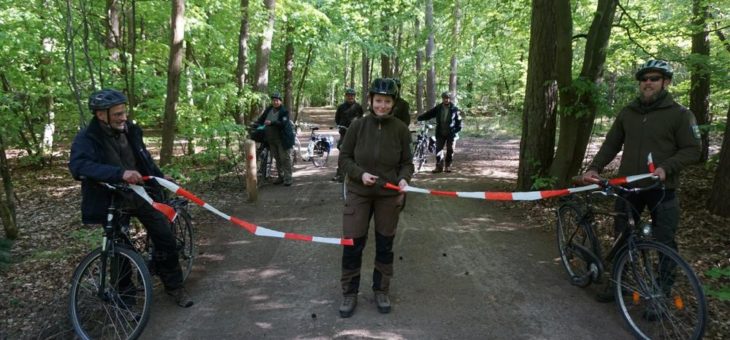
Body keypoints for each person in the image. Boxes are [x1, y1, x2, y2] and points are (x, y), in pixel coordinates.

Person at [581, 59, 701, 302]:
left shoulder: (680, 114)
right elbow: (611, 144)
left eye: (654, 79)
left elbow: (693, 150)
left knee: (664, 242)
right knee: (622, 235)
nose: (648, 83)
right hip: (627, 188)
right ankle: (619, 284)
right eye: (644, 79)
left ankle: (661, 295)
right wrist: (595, 167)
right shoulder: (628, 112)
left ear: (665, 82)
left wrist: (667, 167)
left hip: (662, 189)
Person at [69, 89, 194, 308]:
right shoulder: (87, 138)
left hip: (143, 195)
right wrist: (119, 174)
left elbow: (143, 157)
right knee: (119, 252)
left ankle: (175, 287)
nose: (123, 117)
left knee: (165, 237)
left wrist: (158, 175)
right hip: (113, 201)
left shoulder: (131, 131)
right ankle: (125, 300)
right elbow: (78, 166)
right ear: (101, 114)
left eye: (124, 112)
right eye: (117, 114)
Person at [338, 78, 414, 318]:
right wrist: (360, 174)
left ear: (394, 103)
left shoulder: (401, 129)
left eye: (387, 101)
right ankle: (349, 293)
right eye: (378, 100)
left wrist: (404, 179)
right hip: (359, 193)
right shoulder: (357, 126)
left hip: (388, 195)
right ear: (370, 100)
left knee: (385, 244)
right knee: (352, 244)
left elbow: (407, 163)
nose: (382, 105)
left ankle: (381, 289)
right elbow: (344, 159)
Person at [255, 92, 295, 186]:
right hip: (271, 139)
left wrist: (272, 122)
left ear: (280, 101)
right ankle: (280, 177)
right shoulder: (269, 109)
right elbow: (261, 119)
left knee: (284, 158)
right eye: (273, 100)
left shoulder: (284, 111)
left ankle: (288, 178)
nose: (275, 102)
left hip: (282, 139)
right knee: (277, 159)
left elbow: (283, 123)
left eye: (277, 100)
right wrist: (256, 125)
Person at [416, 91, 462, 173]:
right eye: (445, 98)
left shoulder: (454, 109)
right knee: (438, 149)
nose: (446, 100)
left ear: (450, 99)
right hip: (440, 132)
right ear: (442, 99)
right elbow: (429, 114)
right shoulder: (438, 108)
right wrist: (419, 118)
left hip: (451, 133)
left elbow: (459, 121)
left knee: (450, 150)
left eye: (448, 98)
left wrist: (456, 131)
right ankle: (439, 167)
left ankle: (448, 166)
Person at [333, 87, 364, 182]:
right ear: (346, 96)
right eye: (349, 95)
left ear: (354, 97)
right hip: (344, 133)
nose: (350, 97)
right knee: (342, 151)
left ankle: (356, 172)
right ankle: (340, 173)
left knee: (357, 152)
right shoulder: (341, 107)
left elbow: (361, 119)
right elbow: (337, 119)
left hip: (356, 134)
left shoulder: (358, 107)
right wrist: (340, 125)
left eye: (352, 95)